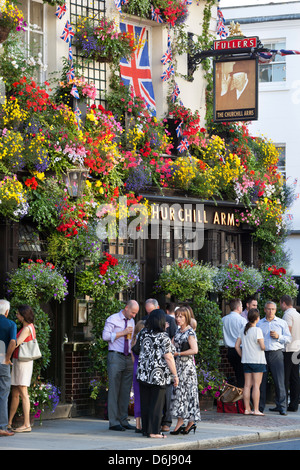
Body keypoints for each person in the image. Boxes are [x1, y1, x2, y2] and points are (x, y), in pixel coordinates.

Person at [137, 309, 178, 439]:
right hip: (158, 376)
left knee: (146, 403)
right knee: (156, 405)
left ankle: (146, 430)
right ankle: (154, 431)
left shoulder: (143, 333)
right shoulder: (163, 337)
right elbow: (169, 357)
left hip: (143, 373)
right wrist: (175, 375)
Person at [102, 299, 139, 431]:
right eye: (133, 312)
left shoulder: (131, 321)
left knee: (125, 390)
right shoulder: (113, 319)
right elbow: (105, 336)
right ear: (126, 308)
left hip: (128, 357)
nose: (134, 315)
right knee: (114, 389)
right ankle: (113, 422)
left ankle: (123, 419)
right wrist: (122, 333)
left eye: (135, 313)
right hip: (115, 356)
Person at [170, 306, 201, 435]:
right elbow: (171, 344)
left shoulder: (190, 332)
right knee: (180, 394)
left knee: (185, 394)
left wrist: (179, 353)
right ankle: (189, 423)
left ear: (186, 317)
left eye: (181, 316)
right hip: (178, 366)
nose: (178, 319)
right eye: (177, 316)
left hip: (187, 368)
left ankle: (181, 422)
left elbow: (195, 350)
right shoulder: (178, 331)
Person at [257, 301, 291, 415]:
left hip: (276, 353)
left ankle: (282, 407)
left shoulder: (282, 323)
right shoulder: (259, 323)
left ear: (276, 310)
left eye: (273, 309)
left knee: (279, 381)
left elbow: (288, 338)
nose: (271, 311)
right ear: (264, 310)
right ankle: (260, 407)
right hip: (262, 354)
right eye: (268, 309)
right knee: (261, 382)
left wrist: (278, 336)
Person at [8, 305, 36, 433]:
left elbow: (16, 343)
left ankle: (26, 424)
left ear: (24, 315)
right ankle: (9, 422)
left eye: (18, 314)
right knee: (15, 392)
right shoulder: (27, 327)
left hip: (23, 362)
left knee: (23, 393)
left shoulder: (27, 328)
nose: (17, 316)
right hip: (19, 361)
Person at [235, 308, 266, 416]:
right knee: (256, 386)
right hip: (258, 361)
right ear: (257, 318)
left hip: (246, 361)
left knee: (247, 385)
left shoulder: (244, 329)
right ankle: (256, 409)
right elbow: (262, 347)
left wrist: (243, 355)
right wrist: (264, 345)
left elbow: (236, 346)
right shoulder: (258, 330)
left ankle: (247, 409)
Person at [280, 295, 300, 411]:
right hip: (297, 348)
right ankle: (294, 404)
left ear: (283, 303)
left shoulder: (287, 314)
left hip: (289, 349)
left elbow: (288, 331)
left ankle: (283, 404)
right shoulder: (297, 314)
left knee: (285, 377)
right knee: (295, 377)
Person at [0, 299, 17, 437]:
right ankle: (2, 427)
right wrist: (7, 357)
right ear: (7, 311)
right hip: (2, 361)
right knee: (3, 394)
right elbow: (12, 341)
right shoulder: (11, 324)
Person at [222, 298, 247, 388]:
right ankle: (242, 398)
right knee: (242, 376)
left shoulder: (223, 319)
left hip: (229, 351)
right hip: (240, 350)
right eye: (241, 306)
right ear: (238, 307)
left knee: (237, 374)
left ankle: (238, 397)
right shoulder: (242, 320)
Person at [131, 320, 145, 432]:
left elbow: (132, 359)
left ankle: (137, 424)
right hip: (144, 370)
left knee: (137, 397)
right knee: (146, 397)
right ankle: (145, 423)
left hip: (135, 368)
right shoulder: (144, 341)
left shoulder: (133, 342)